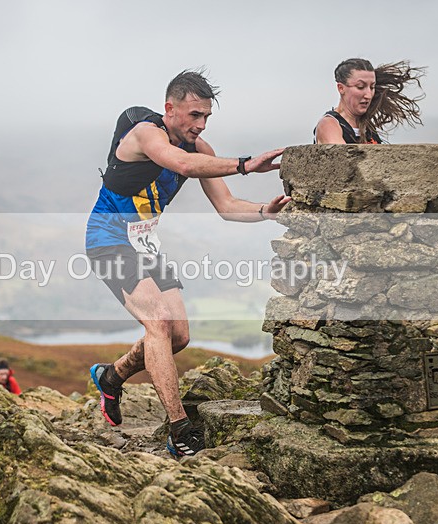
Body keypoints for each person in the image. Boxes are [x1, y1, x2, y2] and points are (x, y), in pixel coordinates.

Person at [86, 69, 290, 458]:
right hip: (108, 239)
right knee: (158, 324)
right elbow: (180, 164)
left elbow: (227, 207)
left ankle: (111, 377)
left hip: (146, 243)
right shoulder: (147, 134)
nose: (200, 124)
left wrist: (266, 210)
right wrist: (246, 164)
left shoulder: (202, 150)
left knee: (178, 337)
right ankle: (181, 430)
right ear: (170, 108)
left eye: (206, 117)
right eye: (193, 115)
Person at [314, 58, 425, 144]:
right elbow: (344, 163)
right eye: (360, 87)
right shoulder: (329, 124)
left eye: (372, 87)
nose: (368, 95)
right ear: (341, 88)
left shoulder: (368, 128)